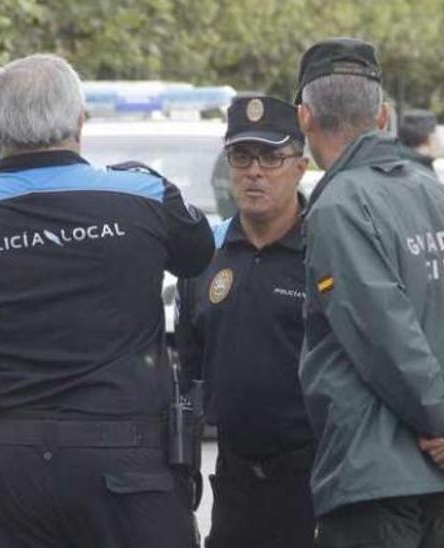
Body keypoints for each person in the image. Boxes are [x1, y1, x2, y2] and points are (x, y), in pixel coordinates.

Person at [0, 54, 212, 548]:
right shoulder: (143, 197)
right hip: (124, 459)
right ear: (79, 121)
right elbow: (199, 254)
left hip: (6, 465)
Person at [296, 38, 444, 548]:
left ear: (303, 117)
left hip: (373, 481)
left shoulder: (337, 207)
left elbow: (385, 337)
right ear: (383, 116)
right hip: (442, 480)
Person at [175, 95, 317, 548]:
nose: (254, 170)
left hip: (317, 482)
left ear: (300, 165)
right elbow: (189, 378)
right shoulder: (204, 259)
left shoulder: (328, 251)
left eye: (271, 156)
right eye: (241, 156)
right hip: (235, 481)